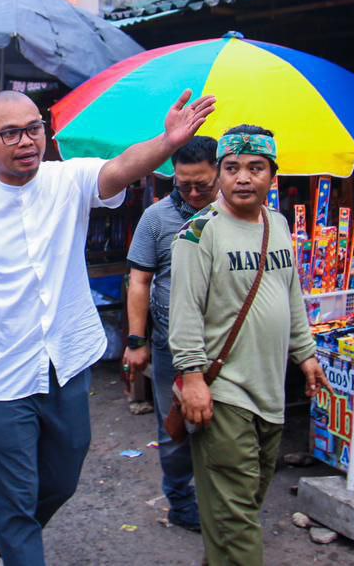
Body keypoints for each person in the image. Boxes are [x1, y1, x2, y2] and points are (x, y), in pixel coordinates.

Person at [0, 88, 214, 565]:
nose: (25, 141)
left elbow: (121, 167)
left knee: (63, 478)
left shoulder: (67, 180)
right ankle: (17, 536)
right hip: (2, 373)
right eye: (9, 133)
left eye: (32, 129)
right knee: (17, 500)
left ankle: (4, 540)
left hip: (66, 360)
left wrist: (167, 143)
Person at [169, 125, 330, 566]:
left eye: (255, 168)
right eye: (232, 168)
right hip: (223, 396)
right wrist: (193, 377)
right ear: (219, 174)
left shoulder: (276, 224)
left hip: (270, 393)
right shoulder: (198, 234)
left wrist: (306, 353)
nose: (243, 178)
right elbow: (183, 314)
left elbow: (290, 292)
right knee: (238, 521)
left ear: (272, 177)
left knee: (241, 508)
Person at [122, 136, 219, 534]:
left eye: (203, 185)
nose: (194, 193)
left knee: (225, 426)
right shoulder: (156, 218)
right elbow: (139, 281)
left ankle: (222, 501)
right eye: (184, 185)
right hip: (170, 345)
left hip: (224, 346)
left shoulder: (237, 214)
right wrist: (136, 341)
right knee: (175, 427)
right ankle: (180, 501)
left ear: (221, 172)